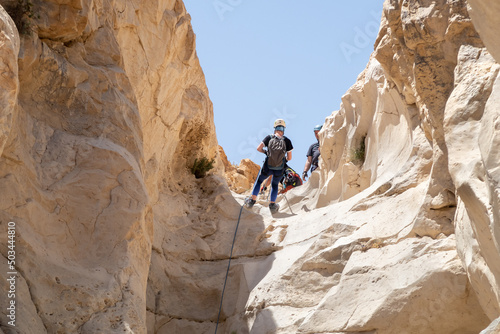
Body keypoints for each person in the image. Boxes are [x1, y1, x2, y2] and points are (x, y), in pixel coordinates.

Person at [245, 119, 294, 213]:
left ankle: (251, 201)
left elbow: (258, 148)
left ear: (275, 128)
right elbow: (290, 158)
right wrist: (283, 160)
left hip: (268, 166)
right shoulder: (287, 141)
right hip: (280, 168)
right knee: (275, 185)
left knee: (259, 181)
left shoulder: (269, 137)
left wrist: (266, 152)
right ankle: (272, 205)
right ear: (283, 129)